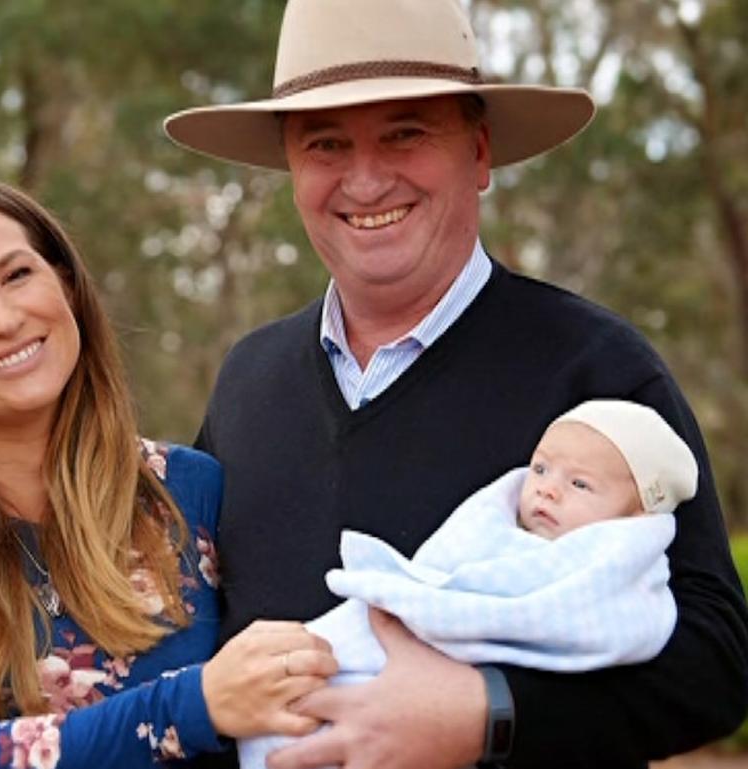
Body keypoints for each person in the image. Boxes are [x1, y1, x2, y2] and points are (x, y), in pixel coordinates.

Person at [163, 0, 748, 767]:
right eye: (326, 143)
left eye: (405, 133)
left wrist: (488, 713)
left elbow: (718, 659)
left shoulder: (596, 368)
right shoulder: (249, 379)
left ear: (479, 153)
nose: (365, 179)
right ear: (291, 169)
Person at [0, 173, 337, 769]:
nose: (3, 318)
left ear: (66, 286)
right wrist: (193, 706)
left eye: (17, 274)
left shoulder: (189, 491)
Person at [238, 399, 698, 769]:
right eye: (540, 469)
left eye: (580, 483)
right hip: (345, 662)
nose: (548, 489)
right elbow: (444, 574)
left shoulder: (606, 572)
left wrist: (483, 707)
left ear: (637, 516)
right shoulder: (495, 528)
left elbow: (545, 621)